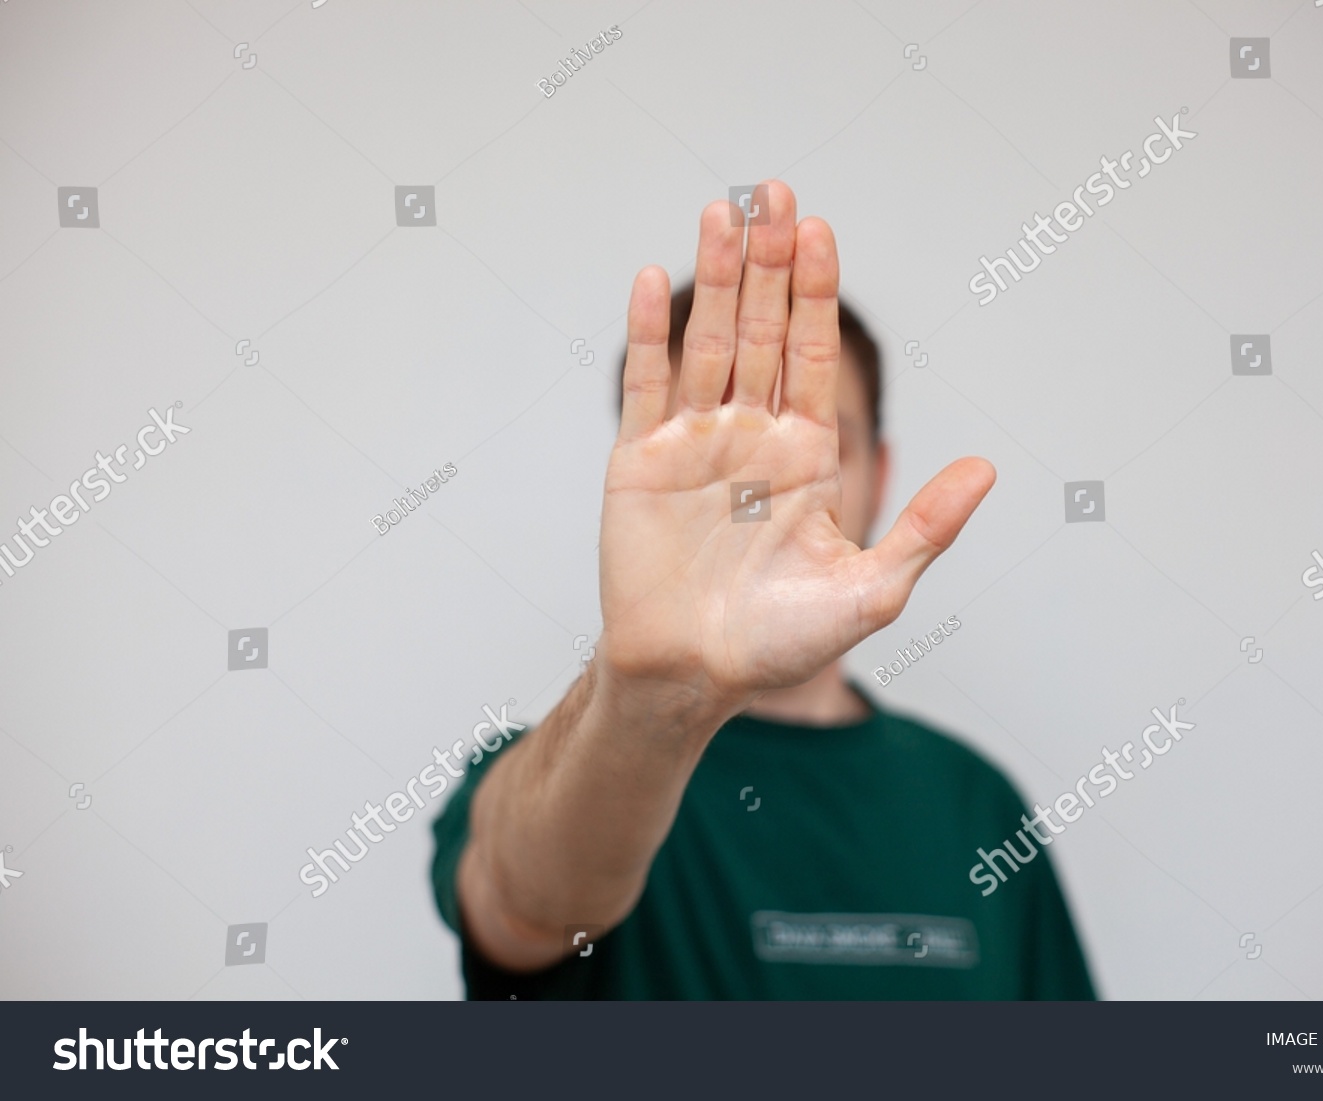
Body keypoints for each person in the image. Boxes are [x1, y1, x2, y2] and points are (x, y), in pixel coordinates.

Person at [431, 180, 1094, 998]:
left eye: (815, 447)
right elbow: (524, 906)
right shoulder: (570, 774)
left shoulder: (975, 805)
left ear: (880, 475)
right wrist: (648, 695)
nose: (759, 496)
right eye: (710, 450)